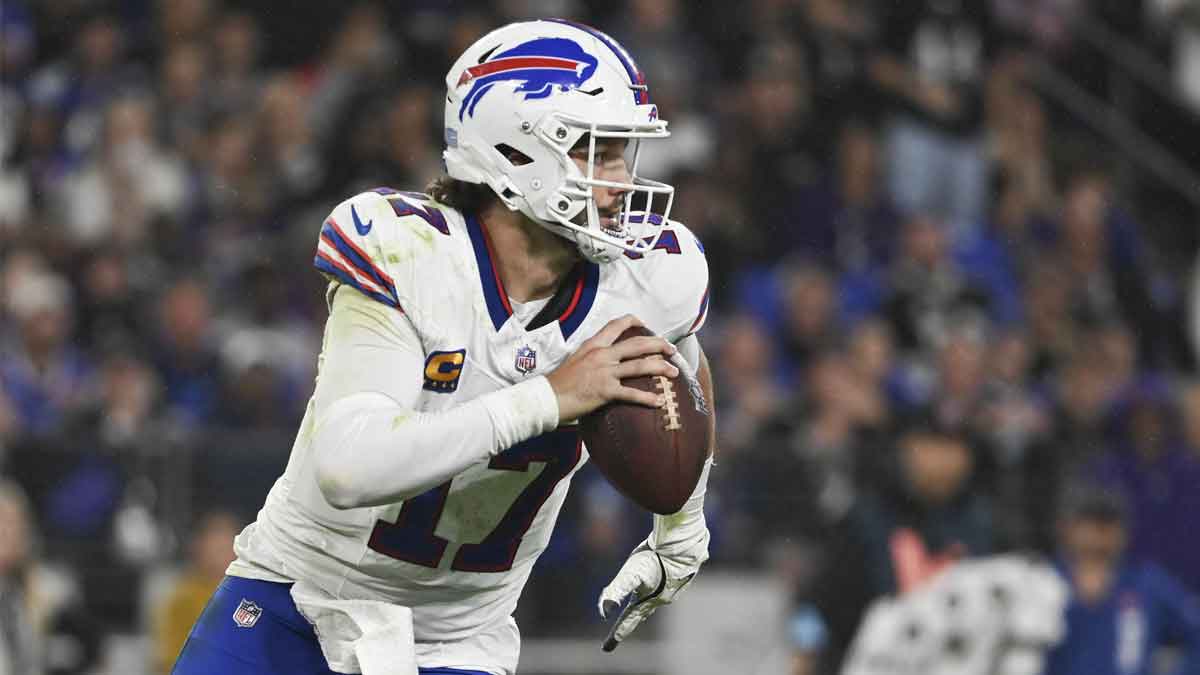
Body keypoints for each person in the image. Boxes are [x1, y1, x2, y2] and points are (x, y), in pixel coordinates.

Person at [171, 19, 715, 675]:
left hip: (457, 640)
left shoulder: (646, 280)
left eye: (622, 154)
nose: (620, 181)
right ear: (516, 154)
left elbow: (683, 363)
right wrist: (547, 397)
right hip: (301, 595)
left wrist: (681, 528)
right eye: (595, 152)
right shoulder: (409, 253)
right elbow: (347, 467)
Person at [1043, 484, 1200, 675]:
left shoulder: (1145, 582)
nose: (1099, 535)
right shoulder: (1043, 582)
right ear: (1066, 528)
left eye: (1108, 524)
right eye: (1089, 523)